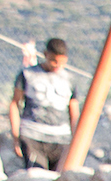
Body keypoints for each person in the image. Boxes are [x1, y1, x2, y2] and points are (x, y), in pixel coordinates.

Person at [8, 39, 77, 170]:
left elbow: (73, 110)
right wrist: (16, 137)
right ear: (46, 54)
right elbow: (14, 104)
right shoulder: (27, 75)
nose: (57, 65)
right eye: (53, 61)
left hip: (61, 139)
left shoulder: (70, 80)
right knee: (37, 177)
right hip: (32, 136)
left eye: (61, 62)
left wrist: (75, 138)